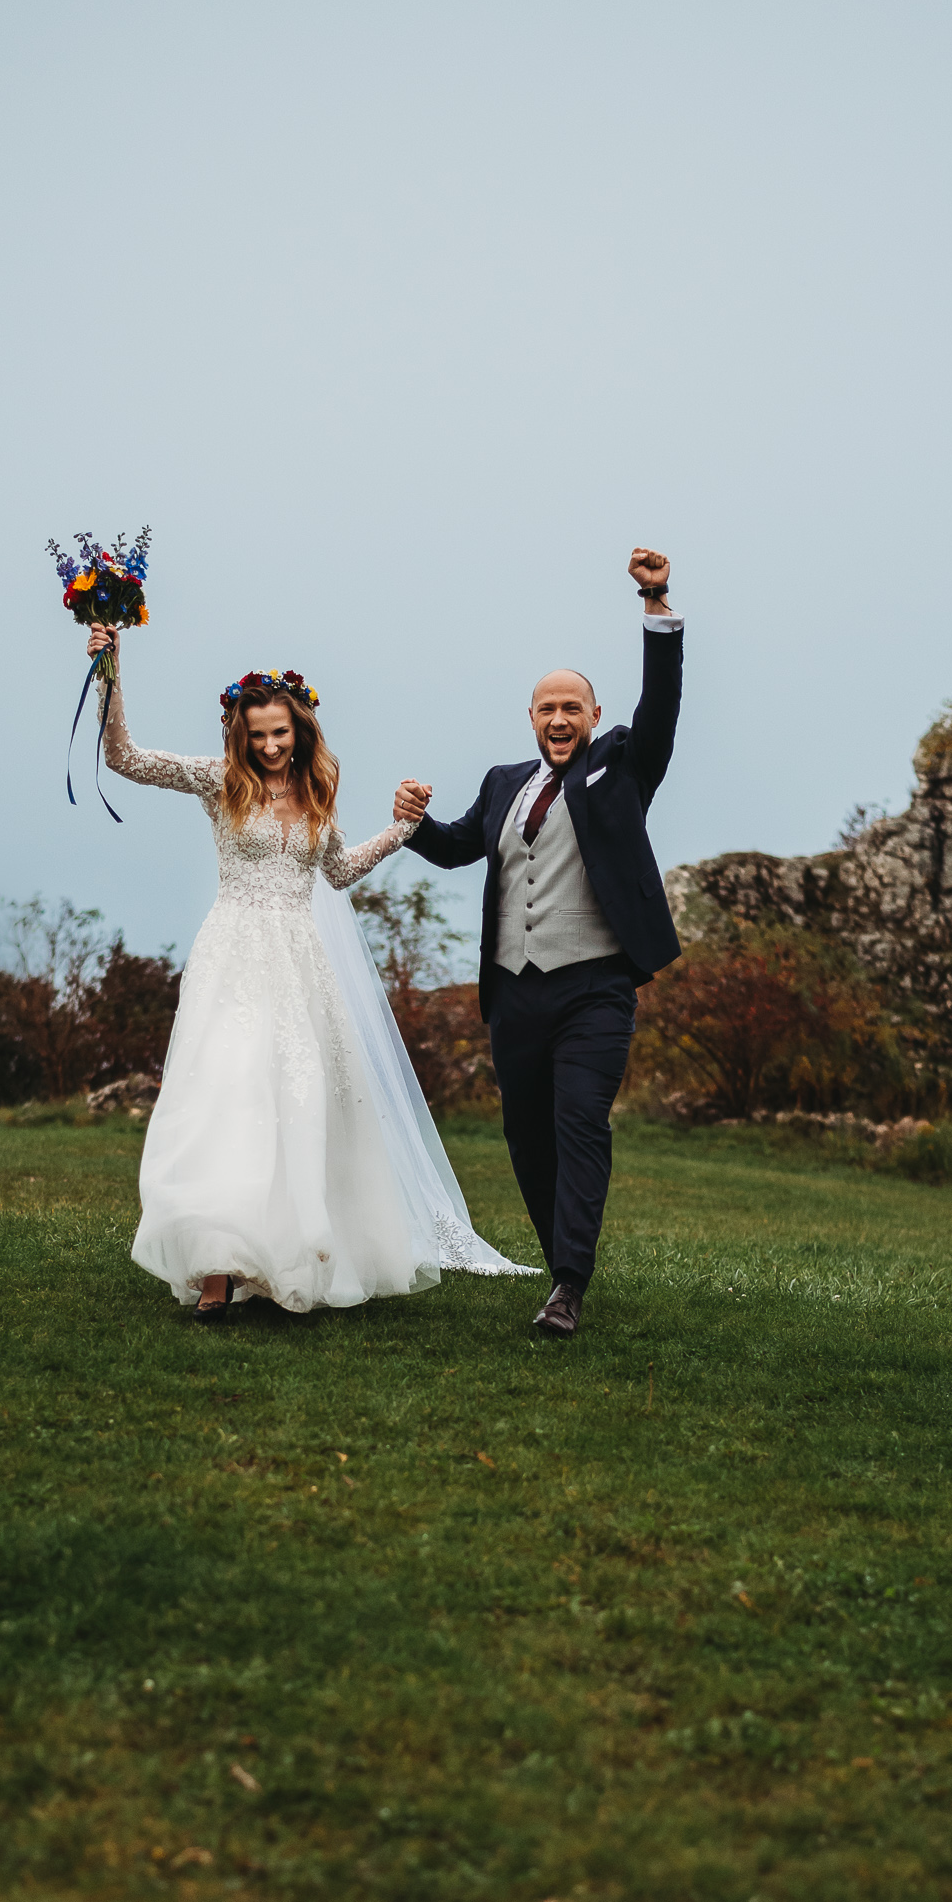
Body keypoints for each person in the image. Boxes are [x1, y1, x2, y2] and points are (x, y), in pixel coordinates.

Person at [88, 622, 534, 1319]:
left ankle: (286, 1253)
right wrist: (109, 671)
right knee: (229, 1097)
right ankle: (217, 1269)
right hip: (233, 956)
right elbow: (123, 758)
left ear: (300, 730)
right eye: (257, 735)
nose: (269, 746)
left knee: (296, 1102)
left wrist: (401, 829)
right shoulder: (217, 781)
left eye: (280, 734)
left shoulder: (317, 791)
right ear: (239, 734)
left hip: (300, 961)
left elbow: (339, 871)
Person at [392, 548, 683, 1339]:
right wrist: (412, 823)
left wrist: (656, 605)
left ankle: (568, 1286)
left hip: (594, 988)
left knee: (579, 1122)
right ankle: (561, 1264)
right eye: (546, 708)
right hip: (513, 992)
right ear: (530, 718)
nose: (559, 719)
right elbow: (457, 847)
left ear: (592, 715)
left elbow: (660, 706)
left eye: (571, 708)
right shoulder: (501, 782)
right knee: (526, 1135)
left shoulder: (622, 765)